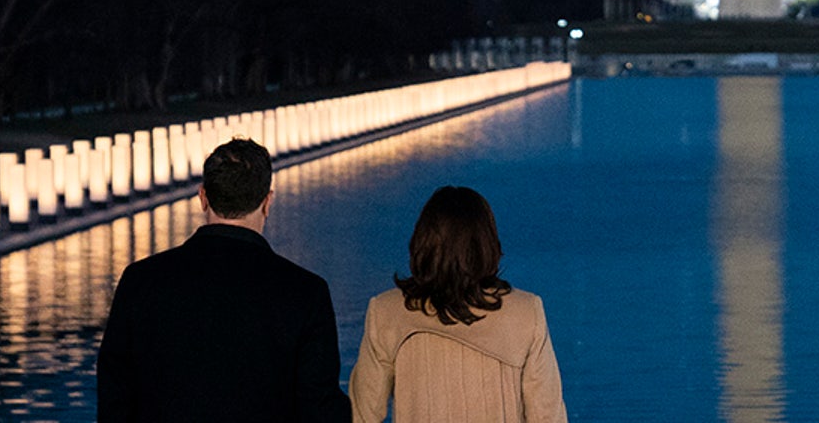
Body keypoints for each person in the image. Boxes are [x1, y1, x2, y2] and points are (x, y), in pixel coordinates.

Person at [97, 137, 350, 423]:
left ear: (203, 197)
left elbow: (115, 397)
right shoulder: (306, 293)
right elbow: (319, 407)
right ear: (267, 202)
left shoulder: (141, 281)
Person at [349, 185, 567, 423]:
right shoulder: (525, 312)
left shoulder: (387, 312)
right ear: (486, 244)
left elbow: (361, 414)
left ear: (423, 242)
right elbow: (547, 416)